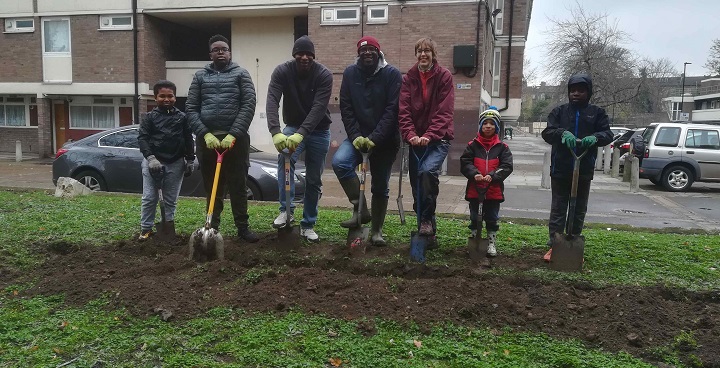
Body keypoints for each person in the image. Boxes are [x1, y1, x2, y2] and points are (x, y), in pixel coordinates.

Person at [186, 34, 259, 243]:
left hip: (236, 142)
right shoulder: (200, 77)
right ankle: (212, 226)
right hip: (207, 141)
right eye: (216, 49)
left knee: (238, 185)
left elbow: (248, 105)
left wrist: (233, 134)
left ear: (229, 52)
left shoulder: (241, 74)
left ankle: (243, 228)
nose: (221, 52)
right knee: (213, 186)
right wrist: (205, 133)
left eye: (224, 49)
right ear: (210, 54)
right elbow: (191, 108)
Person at [332, 36, 402, 246]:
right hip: (358, 137)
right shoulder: (350, 73)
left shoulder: (392, 74)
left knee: (380, 186)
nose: (367, 53)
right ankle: (361, 211)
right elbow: (346, 107)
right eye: (363, 50)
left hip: (385, 140)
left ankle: (377, 231)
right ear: (358, 54)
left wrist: (375, 138)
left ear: (379, 52)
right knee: (340, 163)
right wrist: (355, 137)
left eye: (372, 49)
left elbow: (392, 110)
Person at [266, 35, 333, 242]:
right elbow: (272, 99)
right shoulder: (282, 72)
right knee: (284, 160)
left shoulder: (323, 74)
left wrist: (301, 134)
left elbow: (318, 108)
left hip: (319, 130)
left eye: (308, 54)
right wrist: (276, 131)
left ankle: (308, 224)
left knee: (314, 179)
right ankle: (287, 210)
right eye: (300, 54)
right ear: (294, 55)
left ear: (313, 56)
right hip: (292, 126)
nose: (304, 57)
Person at [541, 73, 613, 260]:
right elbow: (547, 133)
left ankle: (572, 244)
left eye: (580, 90)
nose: (576, 94)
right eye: (573, 90)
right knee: (558, 208)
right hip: (561, 168)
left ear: (588, 92)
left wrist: (595, 138)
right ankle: (555, 245)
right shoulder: (559, 112)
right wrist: (562, 133)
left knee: (578, 208)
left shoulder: (597, 113)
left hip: (584, 168)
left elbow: (607, 134)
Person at [398, 37, 454, 239]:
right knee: (416, 185)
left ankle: (427, 220)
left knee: (427, 172)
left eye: (427, 51)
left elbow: (444, 112)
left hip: (438, 139)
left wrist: (429, 135)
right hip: (415, 141)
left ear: (433, 54)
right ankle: (427, 229)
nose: (423, 54)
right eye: (420, 50)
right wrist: (411, 134)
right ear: (416, 54)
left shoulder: (444, 76)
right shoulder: (409, 78)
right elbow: (403, 111)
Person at [137, 80, 195, 240]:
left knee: (170, 200)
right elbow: (143, 138)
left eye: (170, 96)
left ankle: (167, 228)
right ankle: (145, 229)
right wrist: (151, 158)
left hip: (176, 162)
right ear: (156, 98)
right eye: (162, 96)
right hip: (153, 162)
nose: (166, 99)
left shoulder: (182, 118)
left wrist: (190, 160)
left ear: (175, 98)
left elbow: (188, 138)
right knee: (149, 198)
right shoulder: (149, 118)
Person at [460, 108, 513, 256]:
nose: (488, 126)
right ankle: (474, 237)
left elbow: (507, 166)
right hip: (475, 189)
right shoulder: (472, 145)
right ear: (480, 126)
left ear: (496, 127)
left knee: (491, 217)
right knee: (474, 215)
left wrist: (493, 175)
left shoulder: (502, 147)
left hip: (493, 190)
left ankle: (491, 243)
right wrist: (474, 173)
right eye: (485, 123)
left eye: (491, 124)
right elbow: (465, 163)